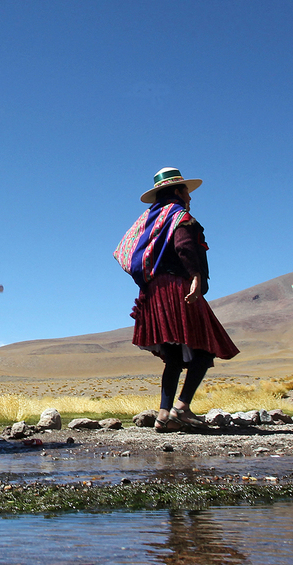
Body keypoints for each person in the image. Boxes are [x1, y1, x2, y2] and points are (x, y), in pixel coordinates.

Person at [115, 167, 239, 432]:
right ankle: (181, 408)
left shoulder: (149, 221)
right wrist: (195, 275)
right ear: (177, 191)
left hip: (152, 291)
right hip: (177, 287)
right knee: (205, 348)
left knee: (173, 356)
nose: (190, 197)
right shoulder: (178, 216)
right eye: (186, 191)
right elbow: (184, 245)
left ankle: (163, 415)